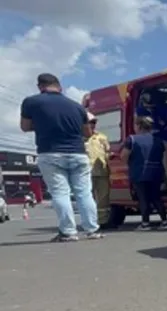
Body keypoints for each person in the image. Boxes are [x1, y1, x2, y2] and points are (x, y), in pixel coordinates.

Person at [19, 73, 103, 242]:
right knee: (84, 193)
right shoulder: (77, 107)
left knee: (60, 193)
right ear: (60, 87)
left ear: (40, 86)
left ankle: (69, 232)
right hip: (78, 153)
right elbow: (87, 133)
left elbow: (25, 127)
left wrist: (43, 124)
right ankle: (92, 230)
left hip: (50, 153)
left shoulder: (31, 102)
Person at [122, 116, 167, 230]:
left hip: (139, 173)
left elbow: (124, 156)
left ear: (138, 126)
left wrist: (129, 162)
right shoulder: (158, 140)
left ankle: (145, 223)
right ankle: (165, 221)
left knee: (143, 198)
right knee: (156, 197)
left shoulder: (132, 140)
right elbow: (162, 155)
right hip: (156, 172)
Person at [136, 92, 167, 192]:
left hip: (164, 138)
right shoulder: (141, 111)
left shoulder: (163, 109)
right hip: (153, 140)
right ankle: (165, 185)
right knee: (160, 164)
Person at [84, 111, 113, 228]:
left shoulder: (102, 137)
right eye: (90, 122)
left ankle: (103, 222)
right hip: (86, 173)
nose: (92, 125)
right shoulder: (78, 138)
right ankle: (89, 222)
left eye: (94, 122)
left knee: (103, 199)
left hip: (102, 171)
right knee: (87, 198)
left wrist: (110, 156)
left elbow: (107, 152)